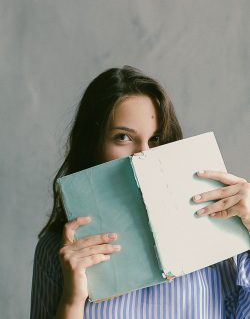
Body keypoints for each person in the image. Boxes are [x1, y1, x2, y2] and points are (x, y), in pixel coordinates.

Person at [30, 66, 250, 319]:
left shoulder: (213, 231)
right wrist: (73, 299)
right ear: (93, 143)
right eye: (123, 137)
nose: (143, 154)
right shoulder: (57, 250)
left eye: (156, 139)